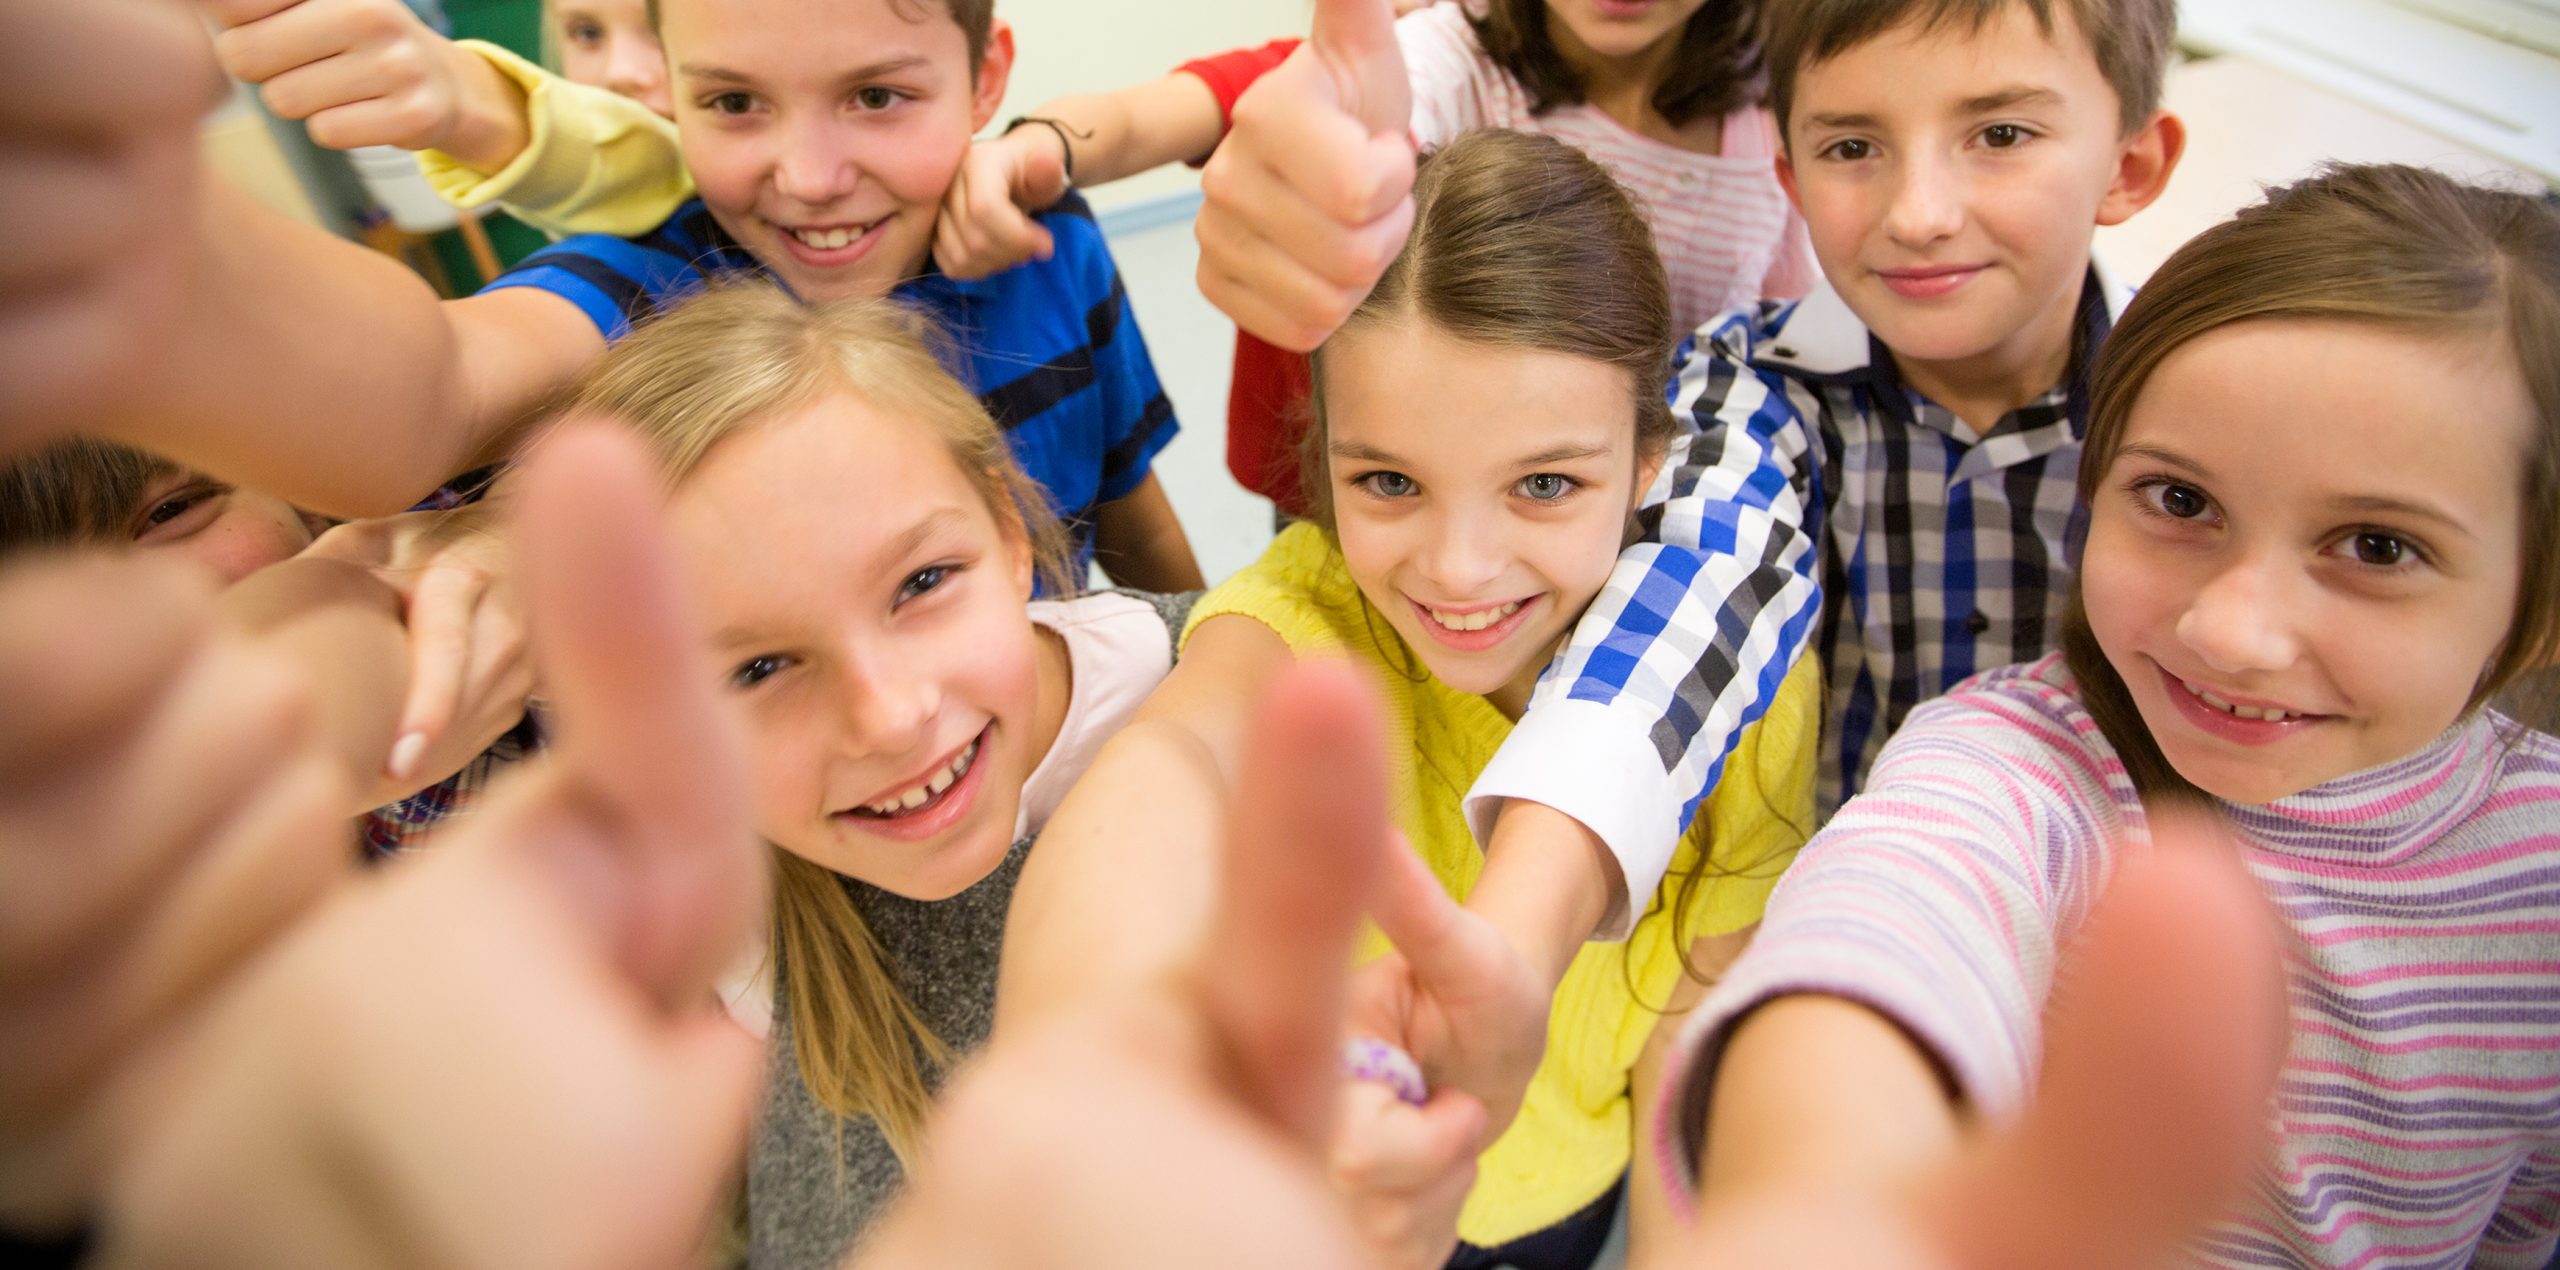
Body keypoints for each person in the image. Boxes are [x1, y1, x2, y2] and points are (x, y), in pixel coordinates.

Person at [1659, 163, 2560, 1268]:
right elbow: (1883, 937)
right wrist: (1815, 1207)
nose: (2230, 631)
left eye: (2376, 547)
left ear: (2538, 597)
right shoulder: (2016, 762)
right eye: (2179, 501)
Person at [1003, 131, 1820, 1270]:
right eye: (1389, 482)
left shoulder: (1750, 684)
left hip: (1573, 1201)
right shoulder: (1297, 623)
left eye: (1543, 484)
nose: (1460, 570)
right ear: (1322, 456)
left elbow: (1693, 1021)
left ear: (1646, 465)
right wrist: (1080, 1062)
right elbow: (1164, 773)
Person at [566, 281, 1195, 1268]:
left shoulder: (1223, 683)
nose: (890, 717)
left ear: (1006, 525)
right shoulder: (712, 896)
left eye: (920, 583)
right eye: (761, 668)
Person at [191, 0, 1205, 592]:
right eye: (732, 103)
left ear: (986, 79)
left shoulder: (1049, 238)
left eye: (876, 97)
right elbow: (435, 389)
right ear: (669, 90)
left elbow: (1135, 520)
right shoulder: (655, 288)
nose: (807, 177)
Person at [939, 0, 1817, 513]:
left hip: (1619, 527)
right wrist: (1044, 142)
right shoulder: (1446, 57)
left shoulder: (1779, 107)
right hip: (1375, 511)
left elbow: (1772, 344)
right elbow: (1214, 106)